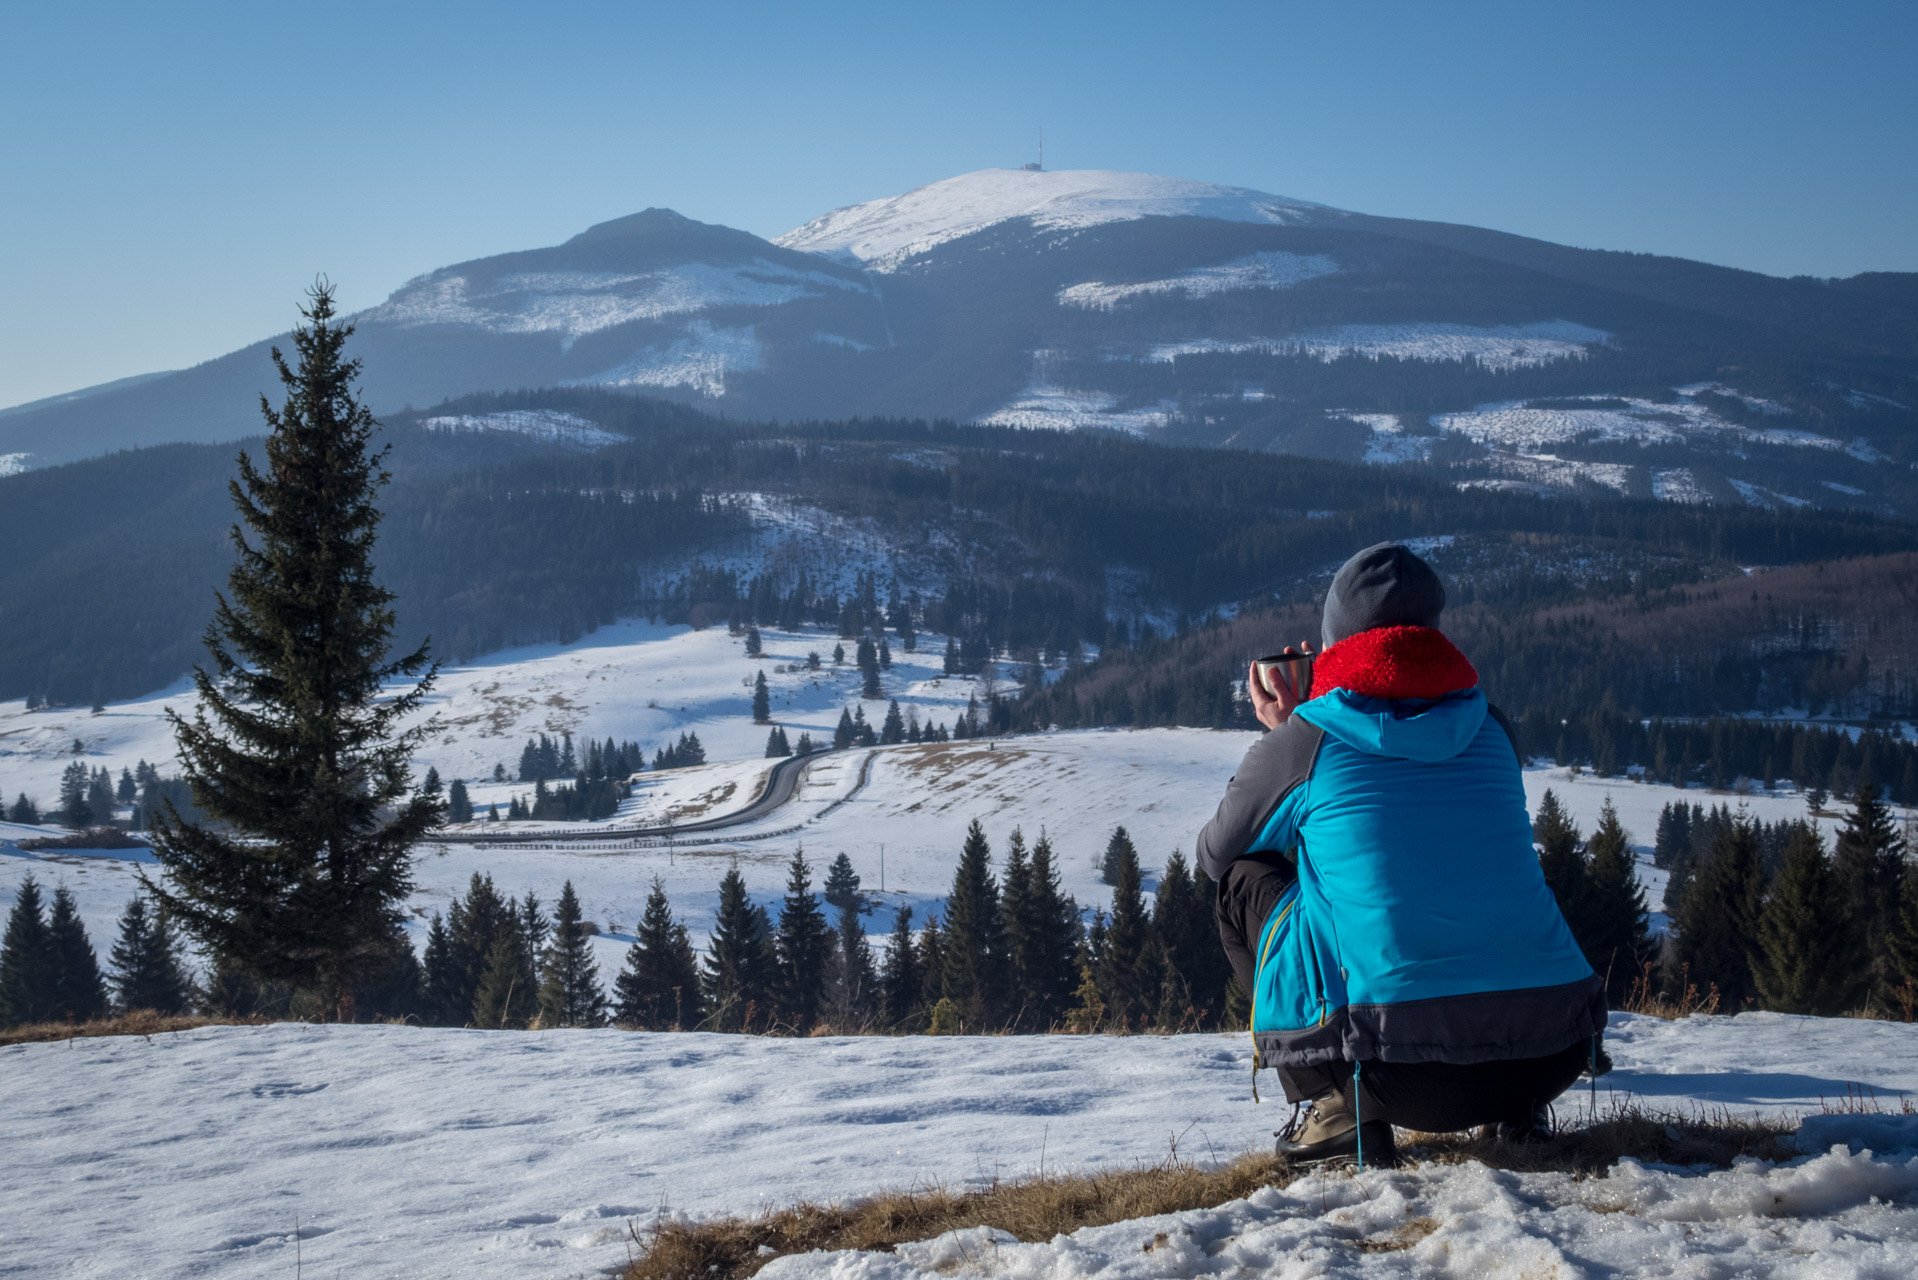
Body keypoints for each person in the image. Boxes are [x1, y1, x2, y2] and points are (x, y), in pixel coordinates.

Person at [1197, 542, 1604, 1166]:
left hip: (1398, 1074)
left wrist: (1290, 732)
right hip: (1551, 1054)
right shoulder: (1492, 727)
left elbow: (1215, 853)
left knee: (1244, 881)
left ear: (1333, 642)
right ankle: (1517, 1116)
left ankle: (1329, 1105)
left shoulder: (1309, 737)